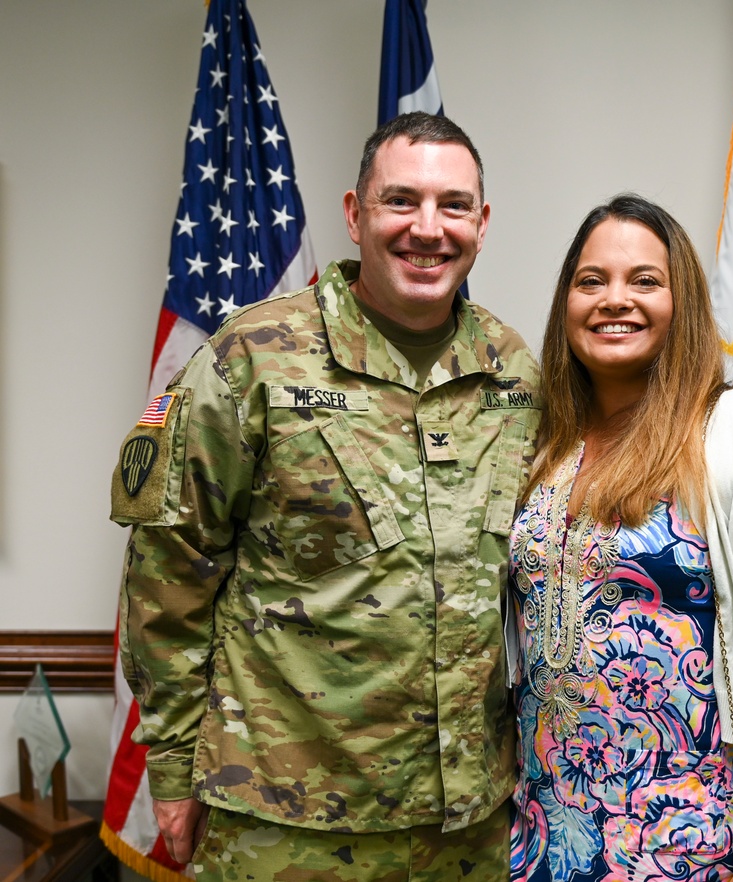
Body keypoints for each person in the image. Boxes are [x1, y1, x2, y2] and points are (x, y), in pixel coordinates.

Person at [111, 112, 541, 881]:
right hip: (285, 818)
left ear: (481, 223)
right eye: (400, 201)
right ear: (354, 214)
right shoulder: (253, 359)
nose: (427, 228)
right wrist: (173, 770)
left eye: (452, 205)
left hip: (466, 823)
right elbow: (168, 576)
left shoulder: (515, 374)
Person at [508, 194, 733, 882]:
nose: (614, 299)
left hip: (697, 847)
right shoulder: (542, 447)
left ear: (681, 301)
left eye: (645, 281)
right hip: (546, 845)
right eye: (591, 280)